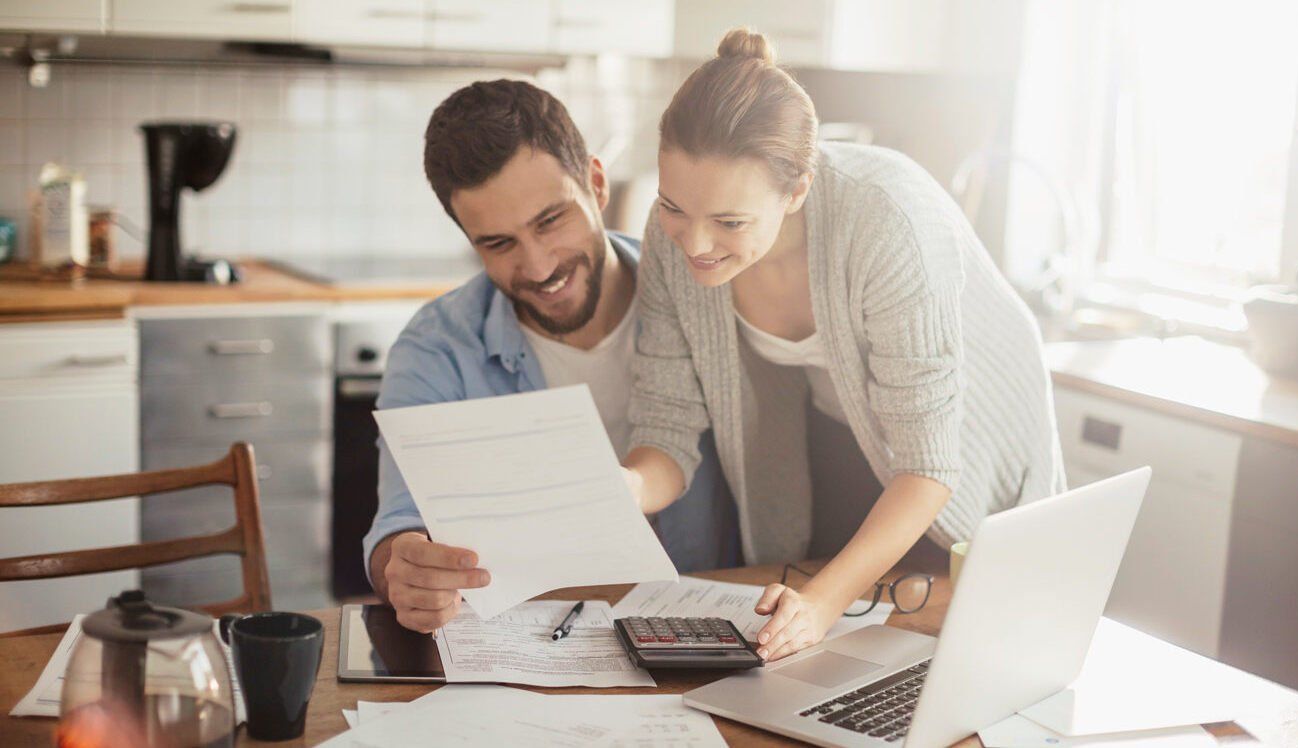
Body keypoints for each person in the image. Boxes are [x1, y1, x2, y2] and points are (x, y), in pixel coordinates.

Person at [621, 29, 1065, 662]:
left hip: (968, 431)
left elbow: (928, 465)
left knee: (959, 627)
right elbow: (665, 427)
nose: (693, 244)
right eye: (673, 208)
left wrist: (823, 604)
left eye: (730, 222)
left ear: (797, 189)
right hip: (841, 415)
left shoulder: (889, 222)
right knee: (832, 637)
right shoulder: (673, 239)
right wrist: (625, 488)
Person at [365, 79, 739, 633]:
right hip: (531, 642)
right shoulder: (436, 348)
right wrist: (407, 569)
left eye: (550, 221)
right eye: (498, 243)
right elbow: (398, 526)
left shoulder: (701, 295)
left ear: (596, 181)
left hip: (709, 628)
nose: (539, 267)